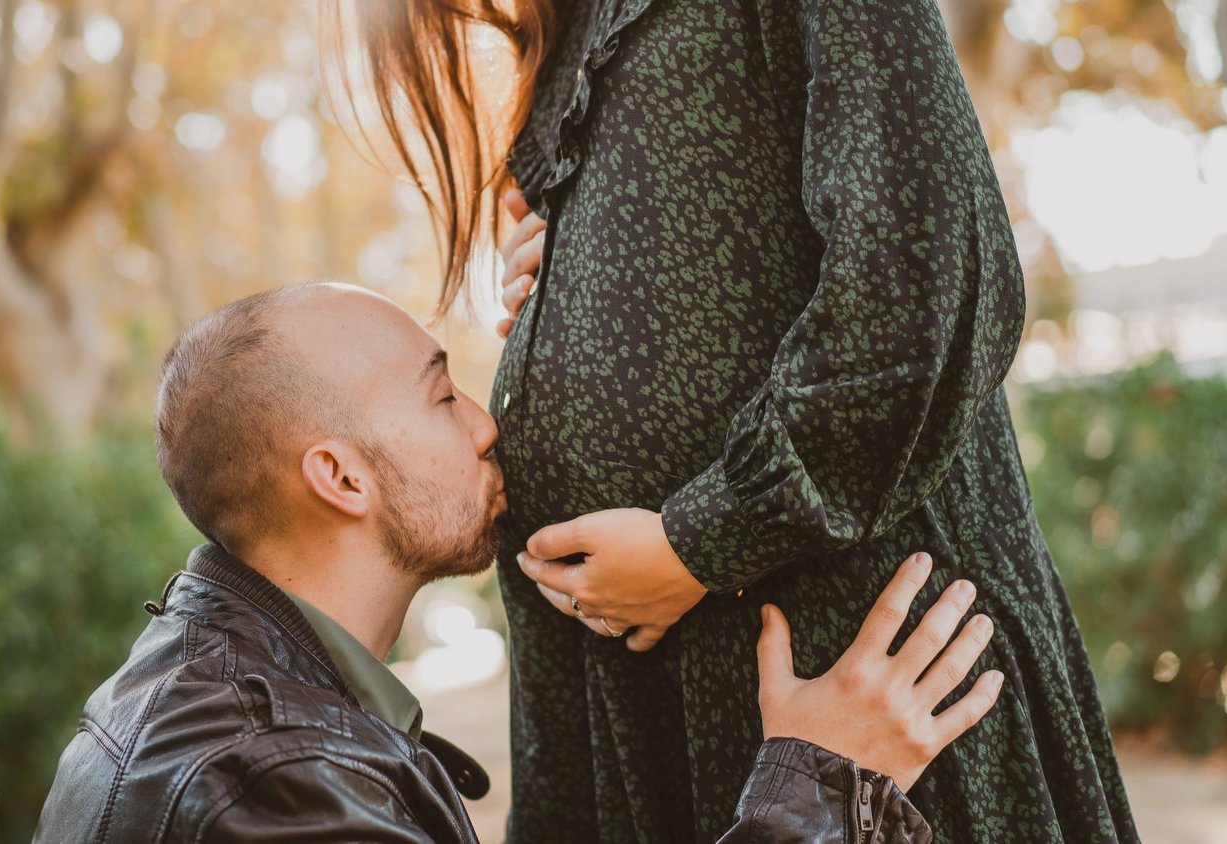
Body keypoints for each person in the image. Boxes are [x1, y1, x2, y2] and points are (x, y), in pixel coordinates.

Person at [334, 0, 1139, 841]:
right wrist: (582, 267)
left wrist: (702, 539)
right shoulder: (569, 36)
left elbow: (924, 278)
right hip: (640, 718)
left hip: (855, 688)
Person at [32, 284, 1003, 842]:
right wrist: (823, 787)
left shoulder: (206, 691)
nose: (487, 425)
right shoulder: (269, 786)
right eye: (440, 393)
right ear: (339, 477)